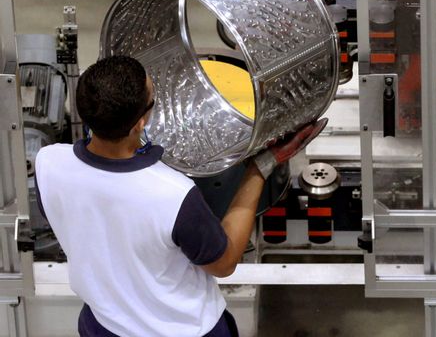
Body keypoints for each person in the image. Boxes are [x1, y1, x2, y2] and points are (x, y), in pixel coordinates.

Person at [34, 55, 325, 336]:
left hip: (103, 325)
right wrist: (260, 168)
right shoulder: (171, 194)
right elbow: (223, 264)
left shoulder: (48, 163)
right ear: (139, 123)